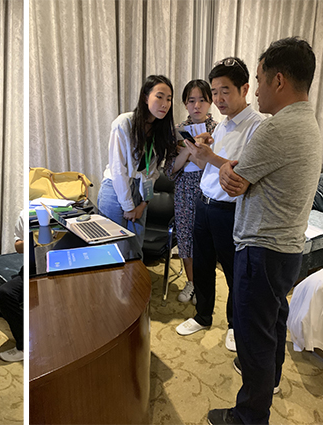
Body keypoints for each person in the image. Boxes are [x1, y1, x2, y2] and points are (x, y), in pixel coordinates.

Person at [208, 37, 321, 425]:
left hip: (261, 249)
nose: (255, 91)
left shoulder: (276, 129)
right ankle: (269, 382)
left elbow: (233, 182)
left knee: (253, 337)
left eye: (258, 80)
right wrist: (234, 169)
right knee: (272, 322)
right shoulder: (308, 122)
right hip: (287, 248)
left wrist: (229, 168)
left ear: (278, 80)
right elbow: (239, 175)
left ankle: (248, 418)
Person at [175, 58, 264, 354]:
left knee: (233, 271)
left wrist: (209, 155)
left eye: (225, 91)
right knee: (202, 266)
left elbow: (244, 173)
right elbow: (211, 167)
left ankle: (235, 325)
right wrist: (200, 150)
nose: (218, 99)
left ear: (245, 89)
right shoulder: (223, 124)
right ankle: (203, 316)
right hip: (204, 203)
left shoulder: (257, 126)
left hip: (230, 210)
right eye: (215, 92)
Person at [97, 75, 178, 260]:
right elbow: (118, 170)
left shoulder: (161, 130)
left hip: (140, 192)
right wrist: (127, 206)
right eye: (159, 96)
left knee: (135, 252)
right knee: (114, 253)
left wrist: (143, 204)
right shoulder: (124, 123)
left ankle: (135, 281)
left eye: (169, 99)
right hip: (116, 190)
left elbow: (153, 173)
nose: (165, 104)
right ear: (145, 97)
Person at [172, 80, 218, 305]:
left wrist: (191, 153)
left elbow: (213, 165)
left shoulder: (218, 130)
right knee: (185, 237)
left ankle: (203, 285)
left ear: (210, 102)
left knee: (206, 241)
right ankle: (191, 282)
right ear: (185, 103)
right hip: (184, 190)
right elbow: (171, 169)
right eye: (191, 101)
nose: (197, 105)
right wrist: (190, 152)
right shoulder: (178, 131)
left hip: (208, 190)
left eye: (202, 100)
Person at [0, 210, 24, 362]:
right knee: (4, 293)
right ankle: (23, 346)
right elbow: (18, 246)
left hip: (53, 261)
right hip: (29, 267)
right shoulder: (25, 214)